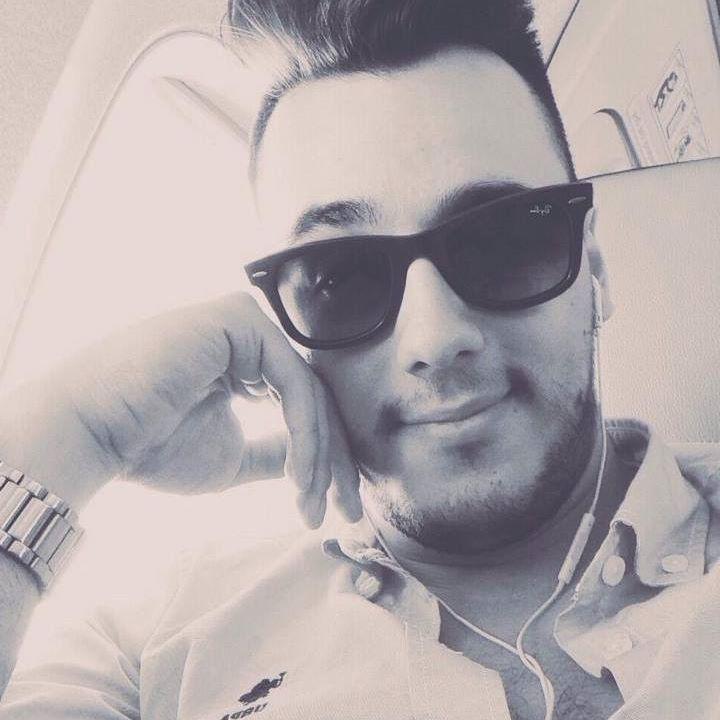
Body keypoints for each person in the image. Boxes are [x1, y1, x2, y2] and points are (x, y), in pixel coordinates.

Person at [0, 1, 718, 718]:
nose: (435, 339)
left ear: (594, 268)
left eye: (502, 241)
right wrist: (80, 430)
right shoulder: (150, 650)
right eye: (341, 278)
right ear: (283, 327)